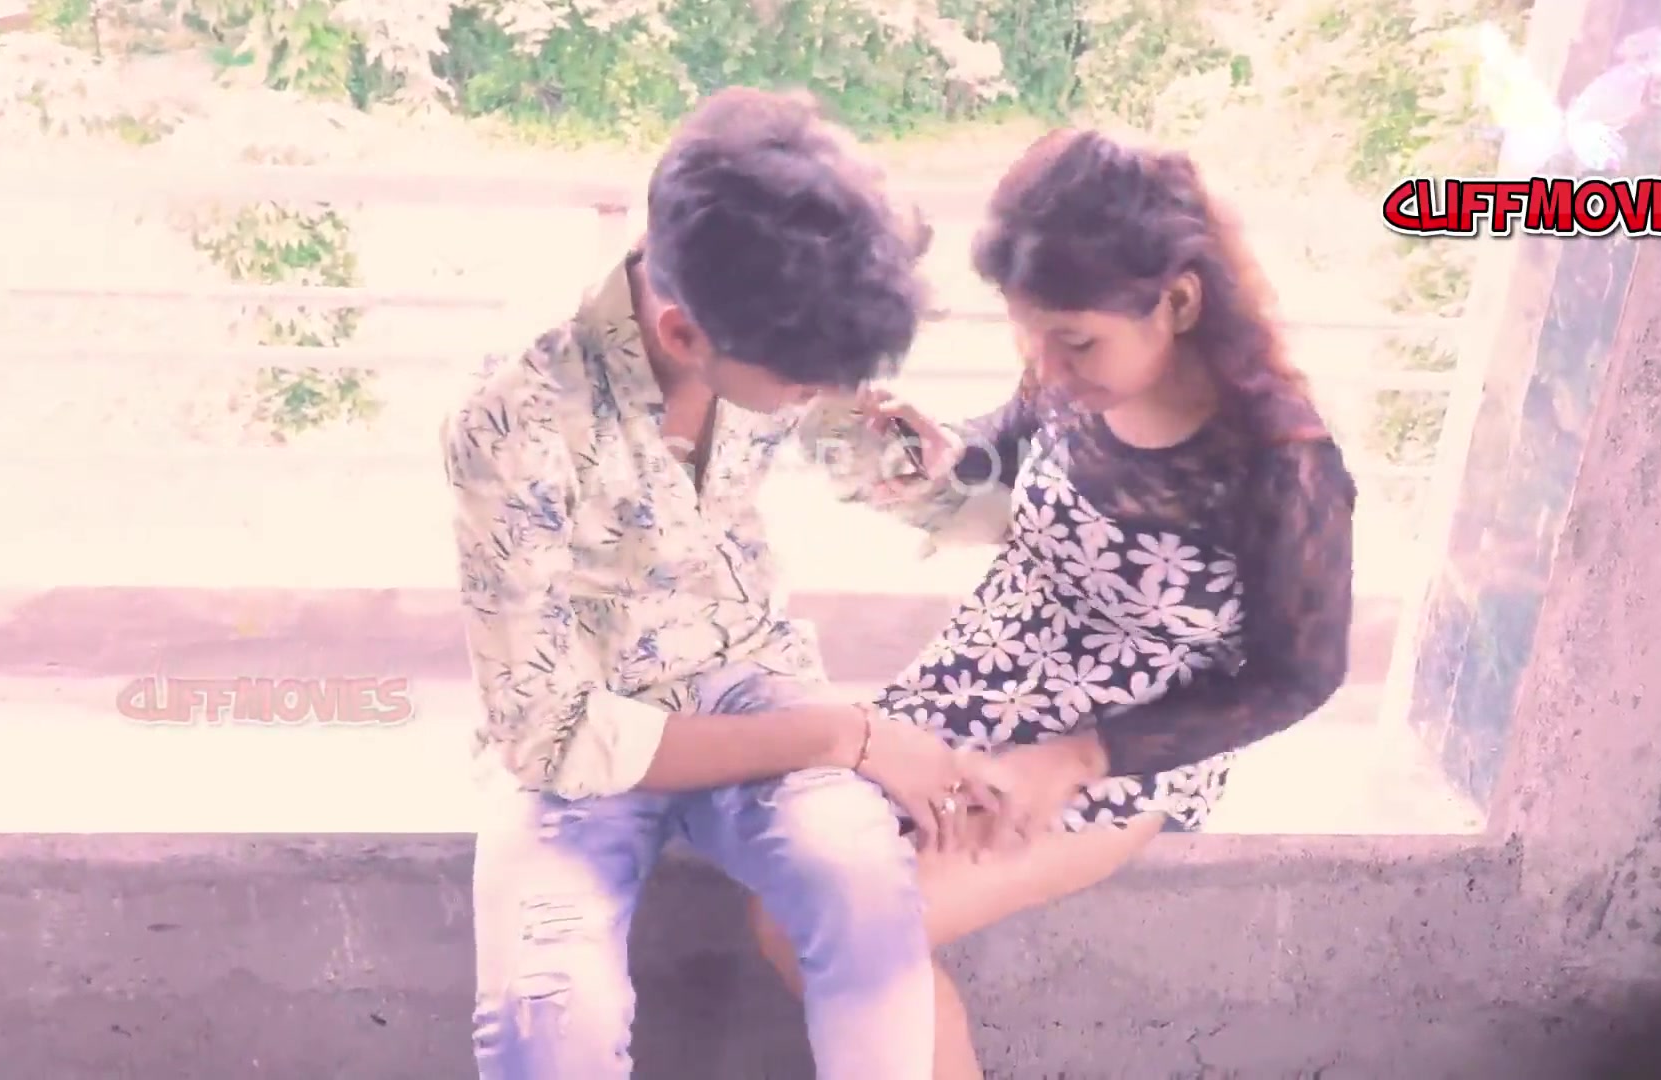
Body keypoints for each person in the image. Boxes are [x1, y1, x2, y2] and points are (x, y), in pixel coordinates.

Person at [752, 129, 1359, 1077]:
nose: (1050, 367)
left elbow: (1300, 678)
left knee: (839, 921)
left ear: (1179, 301)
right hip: (981, 673)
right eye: (1029, 337)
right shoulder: (1068, 373)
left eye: (1075, 340)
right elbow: (1009, 442)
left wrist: (1077, 759)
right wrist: (941, 458)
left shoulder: (1283, 465)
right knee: (789, 898)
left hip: (1125, 744)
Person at [442, 87, 1004, 1080]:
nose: (820, 392)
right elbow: (549, 730)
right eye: (803, 380)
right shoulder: (514, 413)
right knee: (549, 1015)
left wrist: (928, 470)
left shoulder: (764, 311)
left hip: (747, 673)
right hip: (582, 726)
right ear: (682, 335)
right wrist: (851, 736)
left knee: (866, 885)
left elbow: (850, 439)